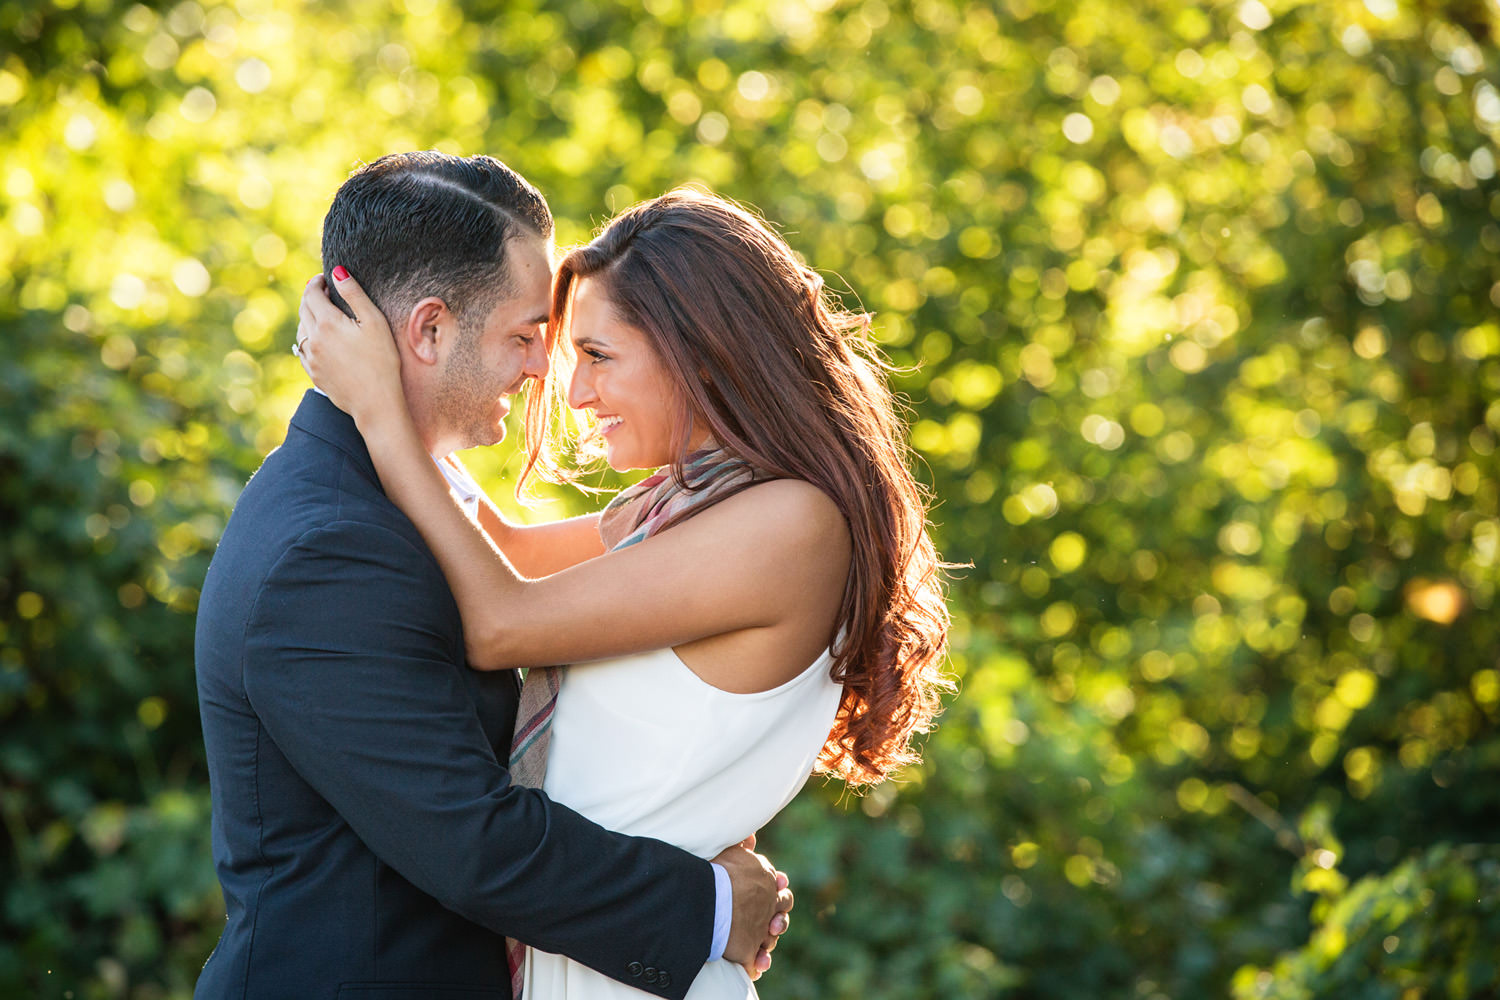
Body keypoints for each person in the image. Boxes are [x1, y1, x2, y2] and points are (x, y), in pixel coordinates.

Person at [295, 186, 953, 999]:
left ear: (705, 350)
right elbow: (505, 552)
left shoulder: (789, 526)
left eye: (598, 358)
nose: (574, 395)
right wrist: (406, 378)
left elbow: (500, 622)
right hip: (592, 960)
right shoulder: (685, 503)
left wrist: (382, 413)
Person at [193, 152, 792, 1000]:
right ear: (430, 330)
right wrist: (712, 903)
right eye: (524, 336)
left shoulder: (393, 495)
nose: (546, 371)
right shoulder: (327, 550)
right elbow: (472, 843)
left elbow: (529, 567)